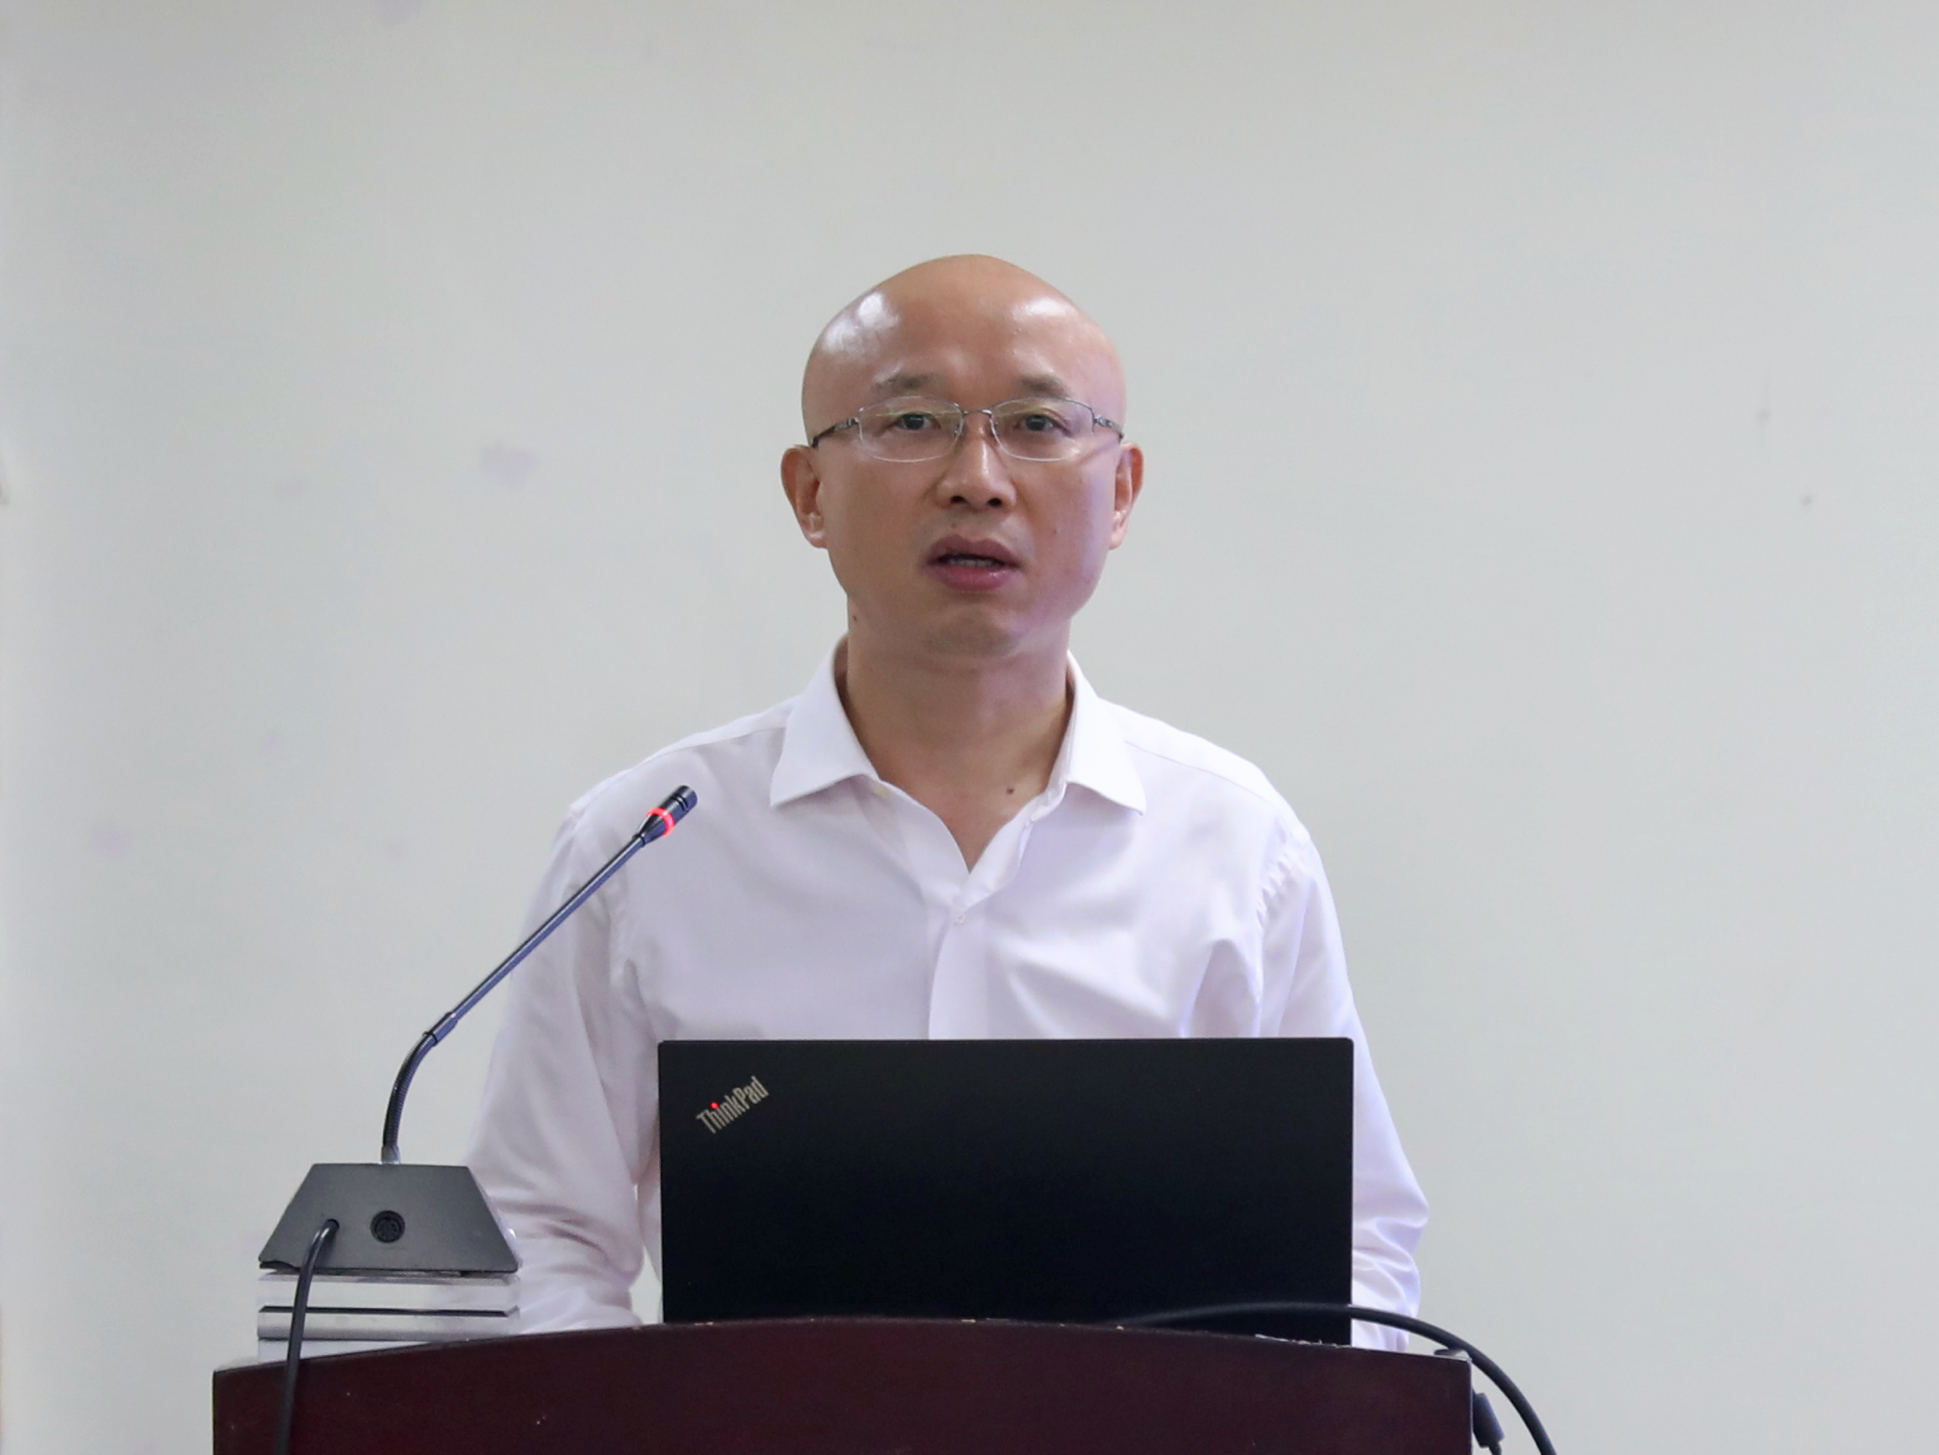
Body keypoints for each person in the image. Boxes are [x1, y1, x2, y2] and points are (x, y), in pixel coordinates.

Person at [466, 255, 1428, 1348]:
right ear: (809, 493)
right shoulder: (650, 845)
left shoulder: (1234, 846)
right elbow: (538, 1231)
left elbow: (1353, 1247)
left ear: (1119, 493)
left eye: (1037, 425)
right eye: (913, 422)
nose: (977, 479)